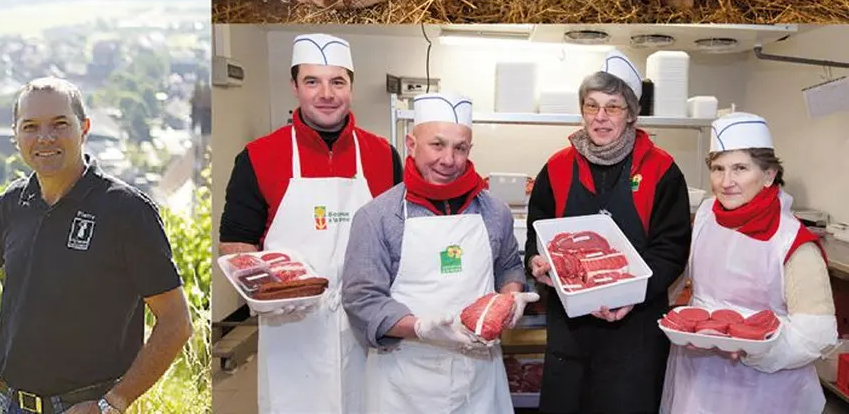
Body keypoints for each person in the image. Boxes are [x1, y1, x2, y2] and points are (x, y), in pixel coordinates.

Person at [0, 77, 192, 414]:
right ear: (16, 136)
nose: (44, 138)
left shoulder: (126, 211)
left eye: (59, 124)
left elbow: (177, 323)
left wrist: (112, 403)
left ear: (84, 128)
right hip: (9, 403)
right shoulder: (12, 203)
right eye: (30, 127)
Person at [217, 33, 402, 414]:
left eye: (337, 81)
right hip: (292, 326)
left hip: (365, 321)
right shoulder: (259, 156)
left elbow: (401, 238)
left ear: (351, 86)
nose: (326, 94)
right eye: (312, 81)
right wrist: (266, 294)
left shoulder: (382, 154)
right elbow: (236, 243)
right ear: (294, 87)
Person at [342, 91, 538, 412]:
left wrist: (511, 296)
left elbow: (508, 268)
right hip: (403, 381)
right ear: (411, 144)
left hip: (478, 379)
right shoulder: (377, 216)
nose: (448, 160)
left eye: (459, 148)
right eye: (437, 144)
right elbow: (362, 300)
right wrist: (421, 328)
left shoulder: (494, 212)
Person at [525, 50, 692, 413]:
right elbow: (534, 241)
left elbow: (671, 250)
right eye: (591, 106)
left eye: (613, 107)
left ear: (632, 113)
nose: (600, 117)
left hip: (636, 334)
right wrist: (537, 265)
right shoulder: (555, 168)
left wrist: (632, 294)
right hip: (569, 335)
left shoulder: (662, 170)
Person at [660, 112, 838, 414]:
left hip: (765, 388)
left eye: (740, 168)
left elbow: (817, 334)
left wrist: (751, 347)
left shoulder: (793, 242)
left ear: (768, 175)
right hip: (697, 375)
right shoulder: (706, 214)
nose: (726, 182)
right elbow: (684, 276)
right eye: (718, 168)